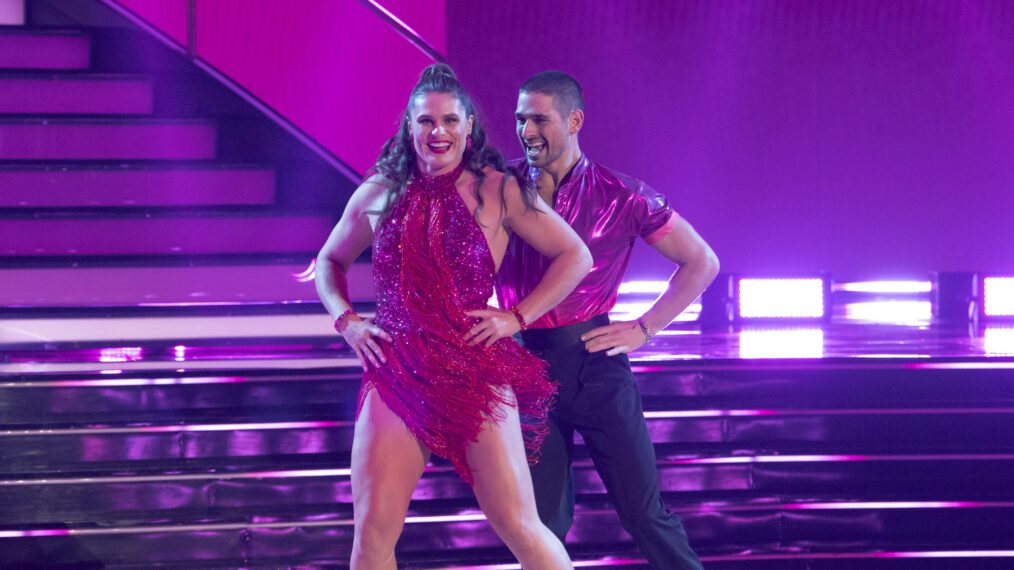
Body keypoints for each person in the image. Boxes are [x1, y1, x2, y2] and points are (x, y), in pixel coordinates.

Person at [315, 63, 592, 570]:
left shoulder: (498, 190)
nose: (436, 132)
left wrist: (517, 317)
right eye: (425, 122)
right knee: (372, 533)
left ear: (469, 127)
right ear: (409, 127)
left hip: (475, 367)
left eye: (448, 121)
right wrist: (347, 321)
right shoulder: (380, 192)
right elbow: (329, 263)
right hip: (397, 370)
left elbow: (576, 257)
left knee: (520, 524)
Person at [495, 70, 719, 569]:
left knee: (644, 513)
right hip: (522, 368)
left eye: (539, 119)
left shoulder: (624, 194)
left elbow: (702, 261)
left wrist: (645, 328)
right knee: (540, 524)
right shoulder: (500, 187)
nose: (526, 131)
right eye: (519, 119)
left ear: (574, 120)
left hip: (594, 367)